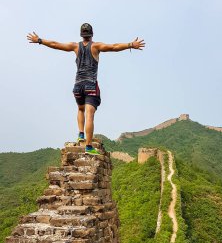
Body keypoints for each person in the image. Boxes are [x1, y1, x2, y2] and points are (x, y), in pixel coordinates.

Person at [27, 23, 145, 155]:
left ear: (81, 35)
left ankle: (81, 134)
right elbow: (114, 47)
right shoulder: (96, 46)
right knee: (90, 115)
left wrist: (39, 40)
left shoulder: (75, 46)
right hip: (90, 85)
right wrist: (130, 44)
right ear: (92, 34)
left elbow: (55, 44)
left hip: (78, 86)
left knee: (80, 109)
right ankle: (88, 147)